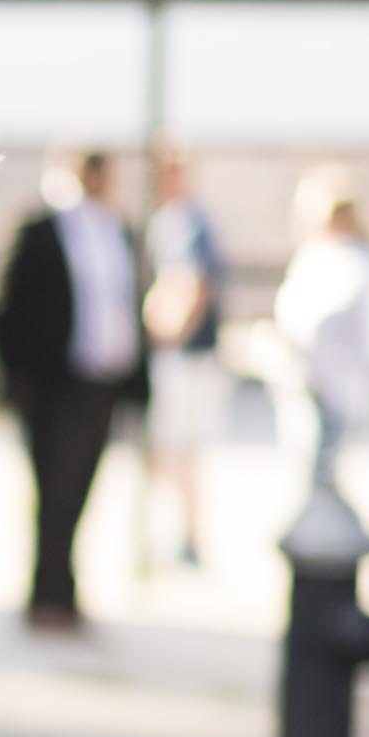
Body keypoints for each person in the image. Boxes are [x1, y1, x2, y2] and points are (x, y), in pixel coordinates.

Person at [0, 152, 147, 627]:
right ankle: (47, 597)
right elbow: (8, 309)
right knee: (52, 492)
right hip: (54, 385)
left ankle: (66, 592)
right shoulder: (40, 231)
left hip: (104, 382)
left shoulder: (120, 232)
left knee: (81, 490)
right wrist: (18, 381)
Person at [141, 147, 229, 565]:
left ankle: (184, 536)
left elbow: (191, 283)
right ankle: (176, 533)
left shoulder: (185, 221)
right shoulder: (171, 220)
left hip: (185, 357)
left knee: (175, 451)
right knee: (171, 452)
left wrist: (163, 333)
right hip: (183, 355)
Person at [272, 184, 369, 484]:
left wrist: (291, 338)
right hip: (322, 379)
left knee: (319, 470)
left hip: (330, 383)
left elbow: (323, 320)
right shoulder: (342, 256)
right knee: (316, 470)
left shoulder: (349, 260)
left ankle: (328, 528)